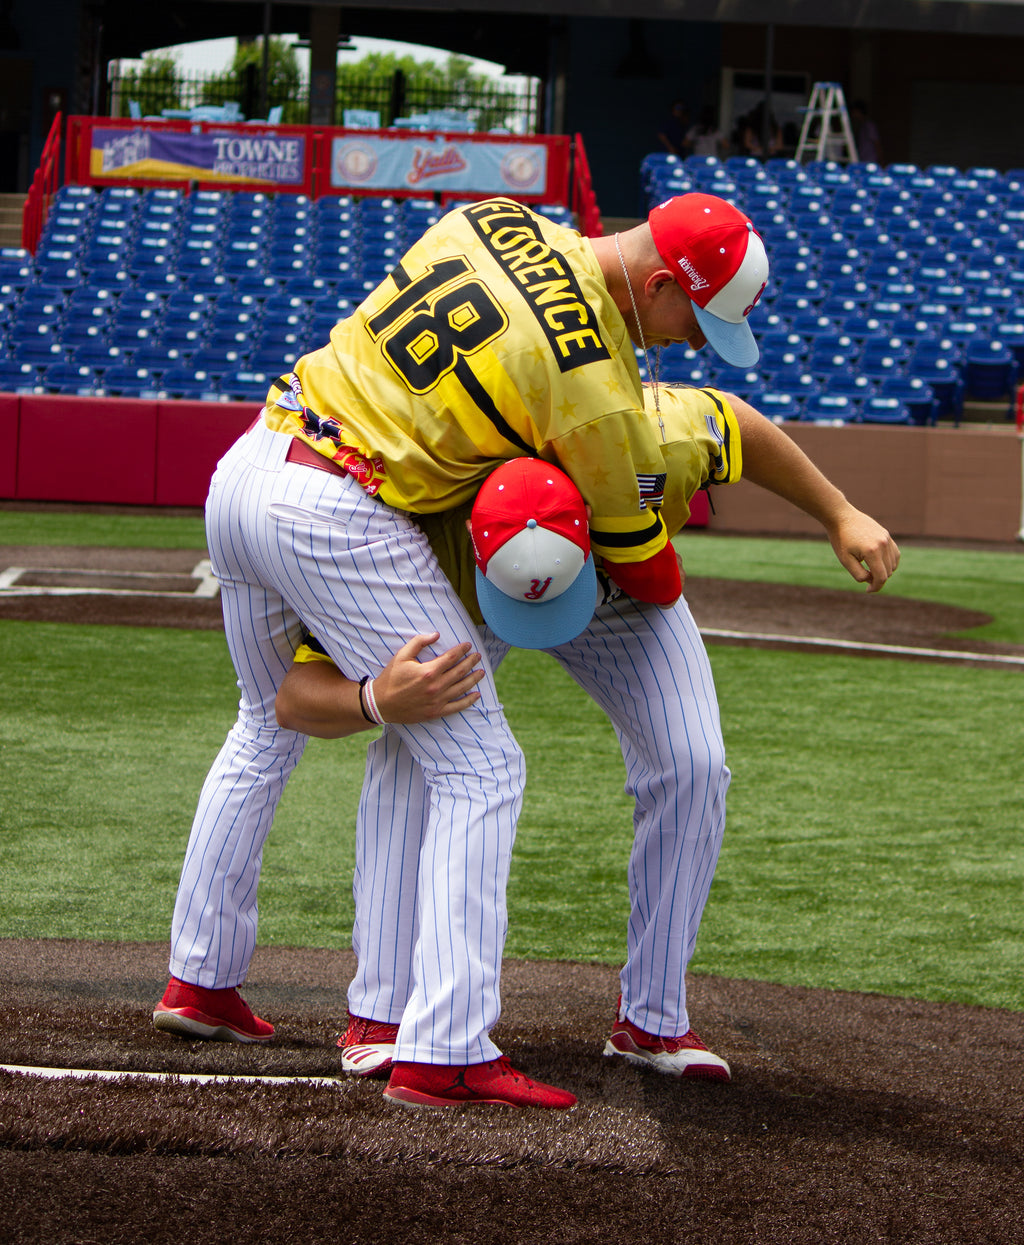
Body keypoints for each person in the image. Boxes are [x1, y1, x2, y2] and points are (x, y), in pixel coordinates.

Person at [154, 191, 776, 1110]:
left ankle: (199, 980)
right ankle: (444, 1045)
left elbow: (297, 700)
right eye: (694, 316)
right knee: (482, 766)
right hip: (340, 505)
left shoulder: (496, 213)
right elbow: (645, 573)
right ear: (654, 284)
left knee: (262, 723)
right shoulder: (603, 389)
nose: (691, 340)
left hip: (254, 458)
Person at [276, 382, 900, 1093]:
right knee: (416, 745)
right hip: (468, 586)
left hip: (619, 585)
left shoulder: (656, 437)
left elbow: (740, 425)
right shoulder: (426, 515)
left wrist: (839, 512)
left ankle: (653, 1016)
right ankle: (381, 1013)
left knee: (694, 764)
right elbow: (297, 699)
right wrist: (377, 700)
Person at [850, 100, 883, 165]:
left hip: (870, 161)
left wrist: (881, 161)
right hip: (862, 160)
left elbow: (877, 143)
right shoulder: (862, 126)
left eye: (854, 112)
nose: (853, 114)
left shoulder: (869, 126)